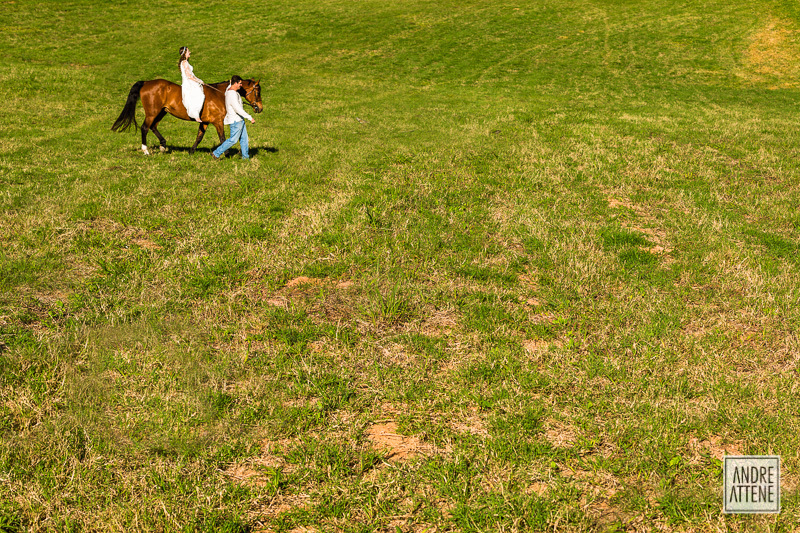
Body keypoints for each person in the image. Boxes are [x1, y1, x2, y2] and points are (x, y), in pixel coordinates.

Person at [212, 76, 255, 160]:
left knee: (244, 139)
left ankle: (245, 157)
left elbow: (230, 84)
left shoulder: (229, 90)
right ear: (235, 83)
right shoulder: (232, 94)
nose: (241, 85)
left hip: (239, 120)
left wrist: (231, 80)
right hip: (236, 121)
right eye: (240, 83)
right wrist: (250, 118)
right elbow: (238, 109)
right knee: (233, 140)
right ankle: (216, 153)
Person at [179, 46, 204, 122]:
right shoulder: (185, 62)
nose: (190, 52)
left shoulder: (184, 62)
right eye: (188, 51)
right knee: (200, 95)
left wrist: (198, 80)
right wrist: (198, 81)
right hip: (189, 83)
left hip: (189, 81)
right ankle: (195, 114)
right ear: (185, 53)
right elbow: (189, 76)